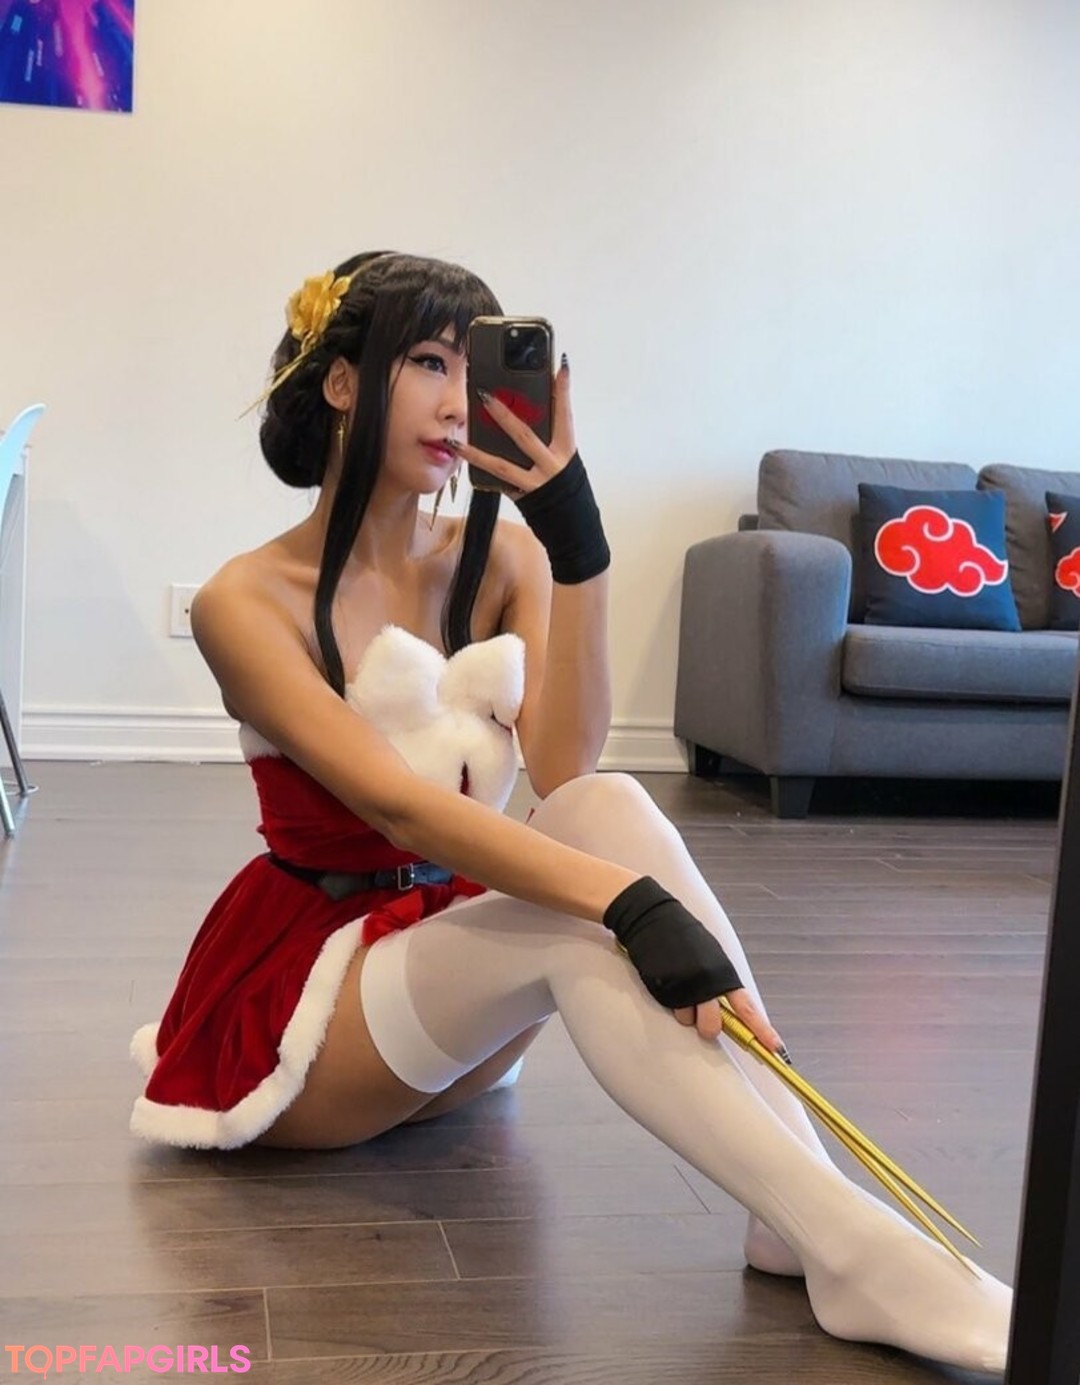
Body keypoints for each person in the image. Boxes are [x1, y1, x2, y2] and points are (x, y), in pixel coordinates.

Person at [130, 251, 1011, 1374]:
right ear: (341, 383)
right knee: (585, 932)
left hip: (446, 973)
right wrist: (628, 904)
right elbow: (399, 808)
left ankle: (797, 1216)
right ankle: (859, 1254)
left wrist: (577, 545)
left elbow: (564, 765)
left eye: (474, 368)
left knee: (609, 802)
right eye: (428, 362)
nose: (460, 402)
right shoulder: (243, 600)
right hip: (309, 1008)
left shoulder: (497, 555)